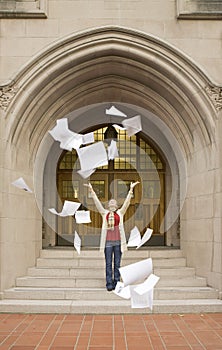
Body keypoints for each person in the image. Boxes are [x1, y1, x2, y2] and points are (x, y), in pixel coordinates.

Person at [84, 181, 139, 291]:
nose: (112, 205)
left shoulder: (120, 213)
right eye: (111, 203)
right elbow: (97, 204)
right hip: (108, 243)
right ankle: (109, 283)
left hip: (118, 242)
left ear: (117, 206)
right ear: (108, 206)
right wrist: (92, 191)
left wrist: (131, 190)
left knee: (117, 263)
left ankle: (117, 282)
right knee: (108, 263)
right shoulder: (105, 213)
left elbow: (127, 203)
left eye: (114, 203)